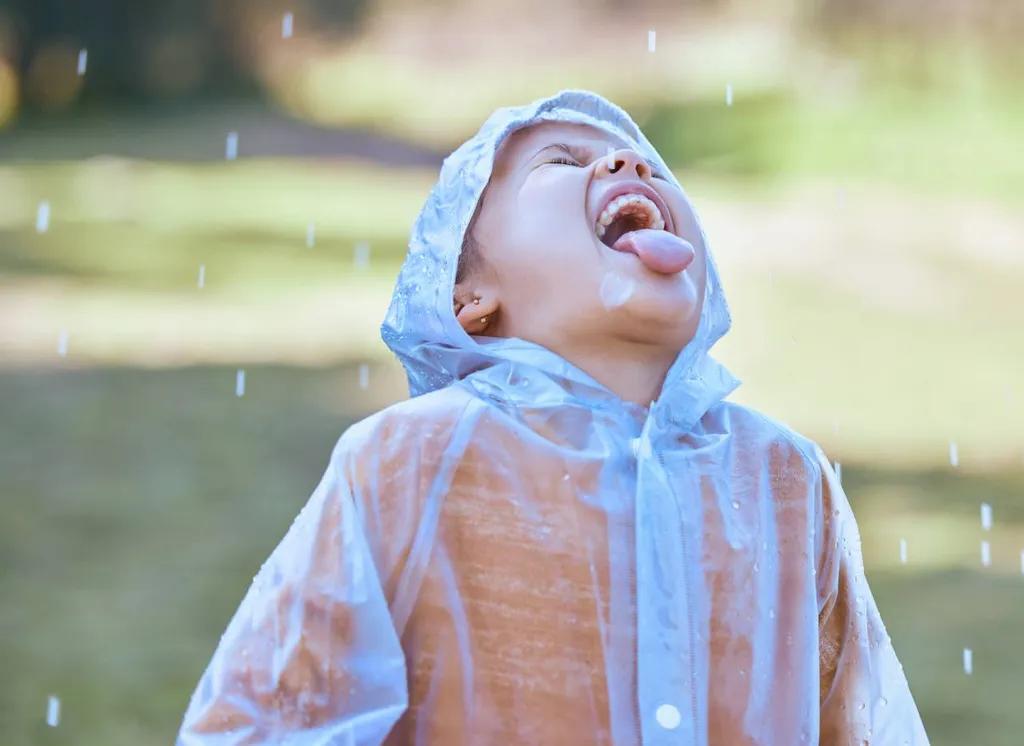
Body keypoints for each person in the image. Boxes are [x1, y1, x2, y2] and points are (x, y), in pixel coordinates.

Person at [176, 88, 930, 744]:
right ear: (466, 299)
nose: (628, 166)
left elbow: (862, 724)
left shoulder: (784, 480)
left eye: (651, 165)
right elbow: (265, 720)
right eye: (562, 162)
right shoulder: (412, 463)